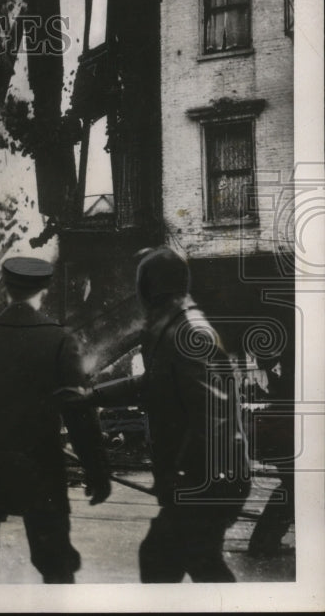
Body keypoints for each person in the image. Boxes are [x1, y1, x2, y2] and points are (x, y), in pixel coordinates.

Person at [83, 247, 250, 582]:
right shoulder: (173, 330)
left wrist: (183, 476)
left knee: (165, 561)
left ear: (147, 290)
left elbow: (213, 418)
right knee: (196, 563)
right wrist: (93, 396)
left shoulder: (186, 332)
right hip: (206, 478)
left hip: (205, 480)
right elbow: (151, 383)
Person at [0, 257, 111, 585]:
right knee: (54, 560)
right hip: (40, 467)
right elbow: (78, 410)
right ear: (44, 289)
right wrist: (97, 470)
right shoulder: (59, 339)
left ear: (4, 287)